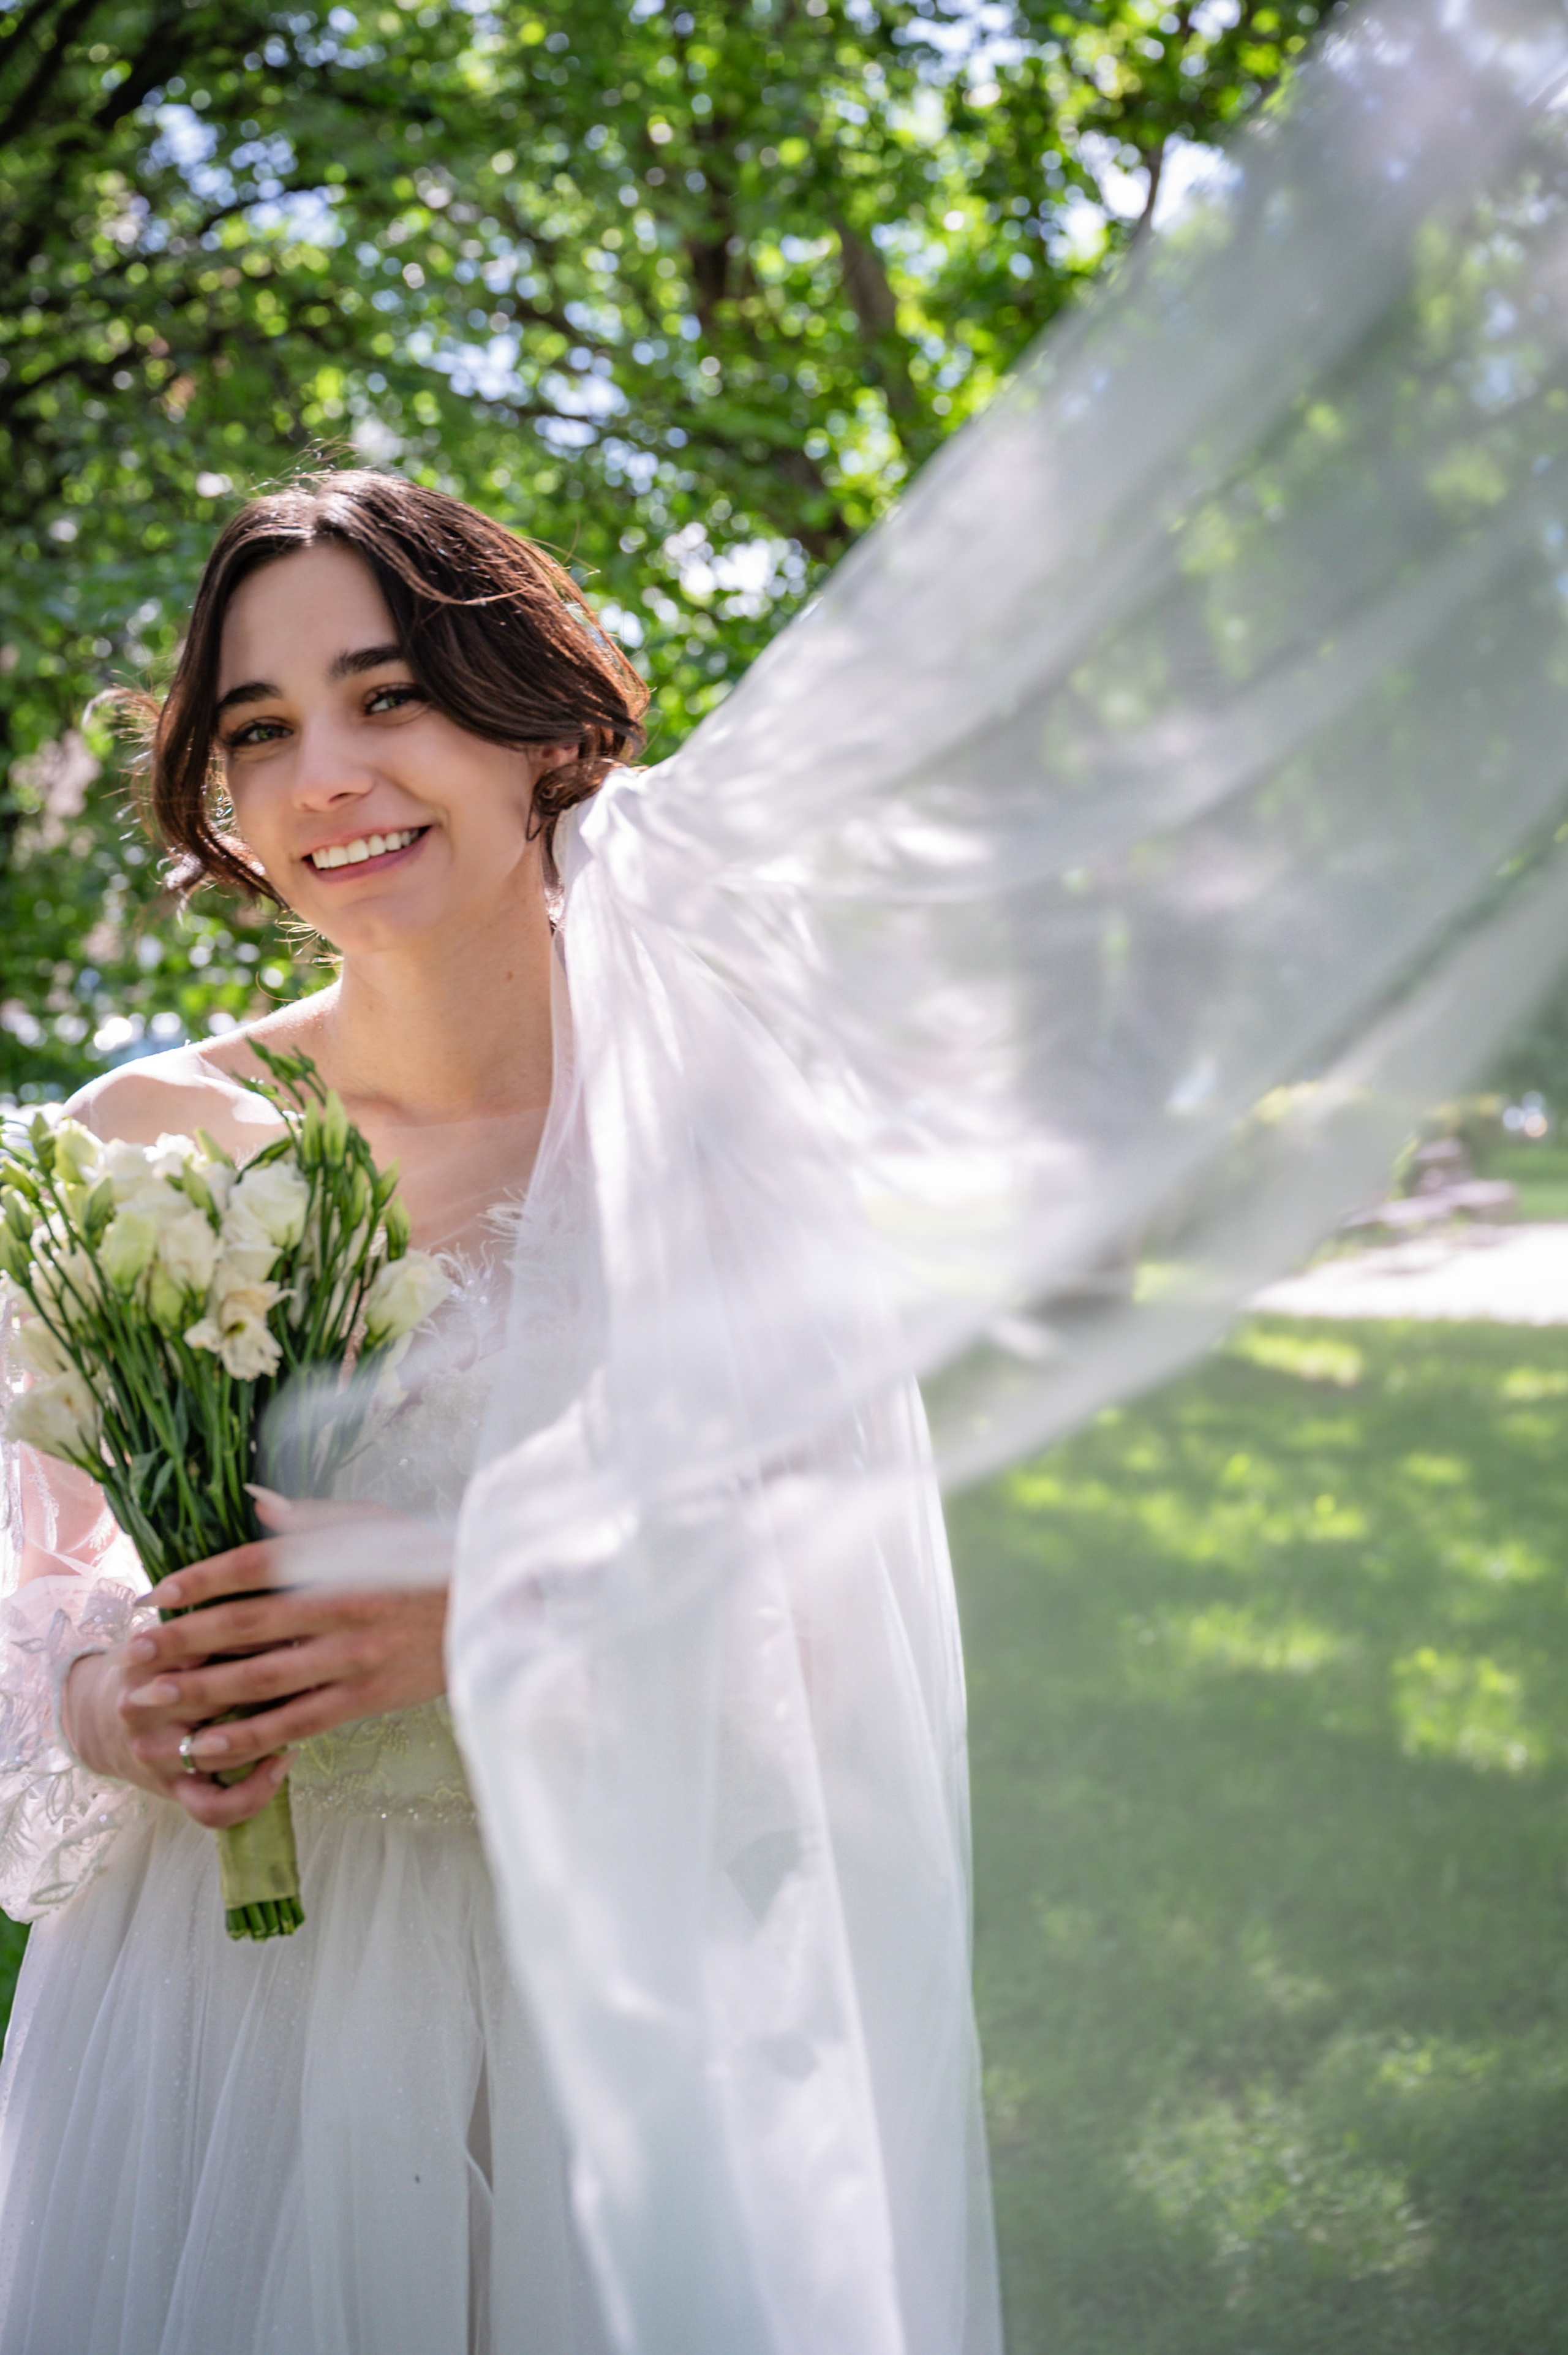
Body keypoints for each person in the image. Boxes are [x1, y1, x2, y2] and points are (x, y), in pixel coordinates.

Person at [0, 472, 999, 2353]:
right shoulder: (147, 1144)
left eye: (391, 697)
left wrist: (478, 1619)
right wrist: (99, 1698)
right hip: (209, 2023)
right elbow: (14, 1580)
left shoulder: (715, 1151)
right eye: (262, 730)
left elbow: (847, 1656)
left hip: (607, 2008)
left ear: (541, 724)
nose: (327, 779)